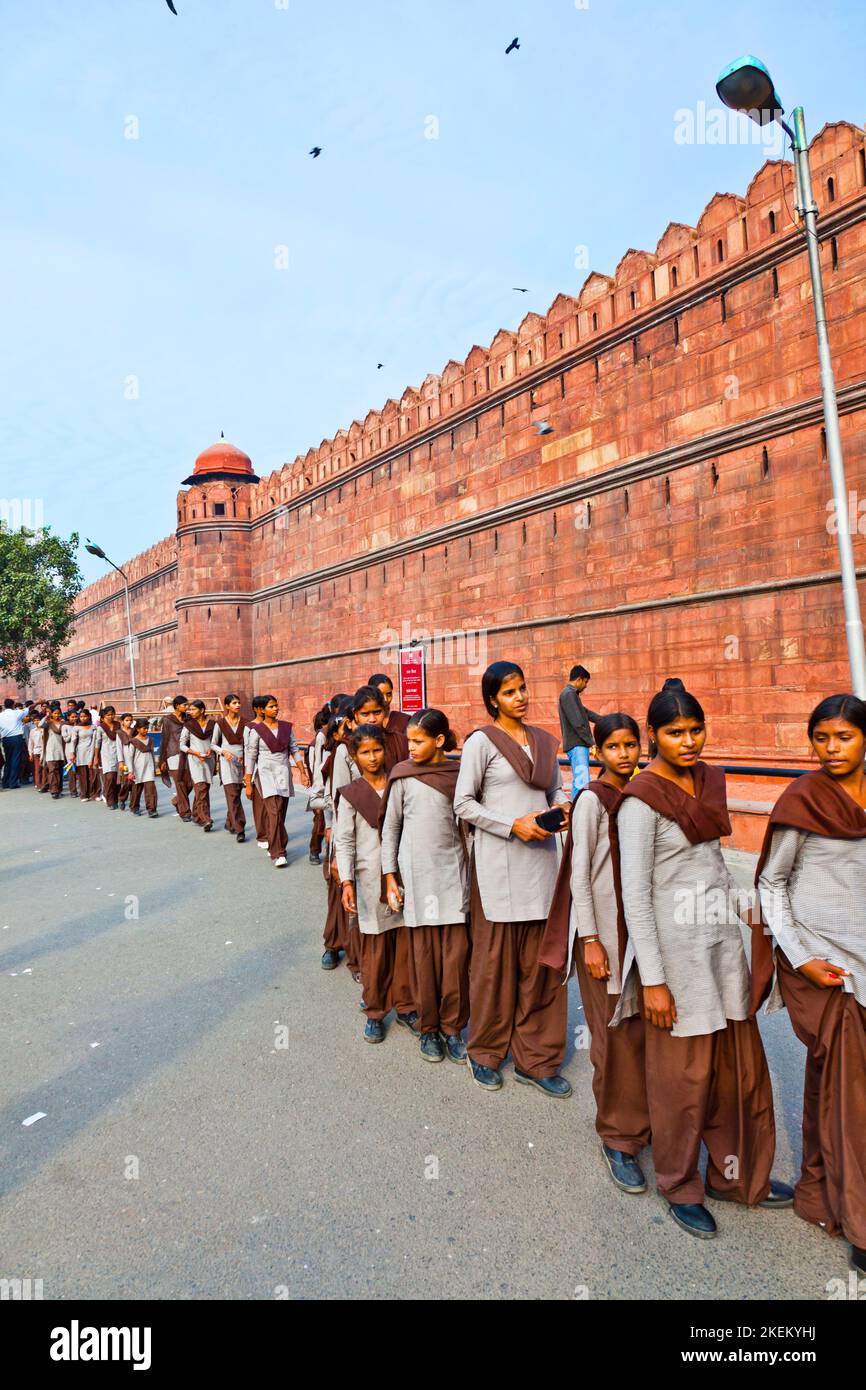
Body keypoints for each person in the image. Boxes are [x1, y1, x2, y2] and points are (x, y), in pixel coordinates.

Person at [613, 685, 792, 1240]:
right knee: (682, 1081)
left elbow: (712, 866)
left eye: (696, 730)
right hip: (674, 957)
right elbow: (636, 895)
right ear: (653, 736)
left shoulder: (707, 783)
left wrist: (750, 910)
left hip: (718, 947)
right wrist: (655, 981)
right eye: (674, 732)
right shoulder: (640, 799)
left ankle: (730, 1175)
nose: (688, 742)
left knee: (729, 1075)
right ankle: (678, 1181)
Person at [754, 693, 866, 1276]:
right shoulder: (802, 798)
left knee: (835, 1085)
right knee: (855, 1099)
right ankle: (862, 1222)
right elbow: (771, 886)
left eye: (843, 738)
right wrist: (801, 959)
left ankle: (819, 1192)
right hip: (826, 971)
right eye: (821, 738)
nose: (831, 749)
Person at [541, 713, 650, 1194]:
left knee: (643, 1034)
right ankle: (618, 1138)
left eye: (632, 746)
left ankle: (644, 1121)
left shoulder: (644, 795)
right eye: (615, 747)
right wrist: (589, 940)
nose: (624, 754)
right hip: (605, 934)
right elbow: (579, 872)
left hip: (642, 935)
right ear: (598, 752)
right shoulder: (593, 800)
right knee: (613, 1040)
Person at [454, 660, 572, 1097]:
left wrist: (560, 810)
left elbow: (556, 790)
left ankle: (536, 1058)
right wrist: (512, 825)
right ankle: (484, 1051)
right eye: (509, 692)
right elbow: (463, 803)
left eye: (522, 688)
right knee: (493, 966)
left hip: (541, 863)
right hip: (499, 864)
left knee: (539, 967)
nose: (520, 697)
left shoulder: (543, 741)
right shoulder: (481, 744)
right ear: (492, 700)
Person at [380, 708, 469, 1064]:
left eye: (418, 741)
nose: (410, 748)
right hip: (417, 878)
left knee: (456, 960)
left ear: (440, 741)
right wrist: (390, 876)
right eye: (409, 741)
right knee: (425, 959)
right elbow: (390, 830)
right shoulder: (402, 776)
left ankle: (453, 1028)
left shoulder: (460, 775)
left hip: (454, 875)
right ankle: (429, 1028)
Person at [335, 725, 416, 1044]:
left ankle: (407, 1005)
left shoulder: (400, 784)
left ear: (386, 749)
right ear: (354, 756)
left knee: (405, 944)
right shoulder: (352, 794)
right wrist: (346, 882)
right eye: (365, 752)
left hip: (404, 875)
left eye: (377, 750)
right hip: (369, 880)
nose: (372, 757)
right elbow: (345, 841)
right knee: (376, 949)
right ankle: (375, 1010)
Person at [243, 694, 308, 866]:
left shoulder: (286, 728)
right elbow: (251, 756)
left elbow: (294, 750)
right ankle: (279, 852)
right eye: (271, 706)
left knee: (281, 811)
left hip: (283, 772)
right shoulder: (256, 731)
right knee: (274, 811)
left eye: (276, 706)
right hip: (265, 774)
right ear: (262, 710)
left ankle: (275, 844)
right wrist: (248, 782)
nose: (275, 709)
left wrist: (302, 772)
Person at [320, 704, 359, 973]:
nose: (373, 717)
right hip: (343, 826)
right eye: (365, 713)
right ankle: (334, 944)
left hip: (374, 830)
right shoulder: (341, 750)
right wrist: (329, 826)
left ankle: (359, 953)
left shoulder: (389, 741)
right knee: (340, 889)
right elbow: (333, 794)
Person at [558, 664, 601, 800]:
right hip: (577, 744)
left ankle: (575, 812)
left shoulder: (571, 694)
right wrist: (591, 743)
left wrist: (605, 720)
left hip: (578, 745)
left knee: (580, 781)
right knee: (582, 782)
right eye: (586, 682)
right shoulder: (569, 694)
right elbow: (578, 723)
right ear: (579, 679)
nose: (586, 686)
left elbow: (585, 713)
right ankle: (577, 813)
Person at [212, 693, 247, 842]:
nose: (237, 705)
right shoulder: (220, 723)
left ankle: (230, 822)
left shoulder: (245, 723)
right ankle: (240, 828)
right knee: (232, 794)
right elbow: (213, 744)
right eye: (234, 703)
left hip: (242, 761)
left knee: (236, 794)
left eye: (238, 702)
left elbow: (249, 743)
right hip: (226, 762)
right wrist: (223, 752)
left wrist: (245, 756)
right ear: (227, 706)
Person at [353, 684, 408, 771]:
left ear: (385, 711)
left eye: (377, 712)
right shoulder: (346, 747)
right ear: (356, 715)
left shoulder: (400, 741)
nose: (372, 719)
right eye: (365, 714)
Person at [181, 699, 216, 831]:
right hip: (195, 760)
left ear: (202, 710)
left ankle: (196, 815)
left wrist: (211, 750)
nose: (190, 712)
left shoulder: (212, 724)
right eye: (189, 709)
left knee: (204, 788)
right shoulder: (188, 725)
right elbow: (182, 745)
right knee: (200, 787)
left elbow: (216, 740)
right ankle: (205, 818)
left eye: (193, 709)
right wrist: (196, 753)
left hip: (209, 759)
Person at [158, 696, 194, 821]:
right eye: (185, 705)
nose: (187, 708)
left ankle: (176, 800)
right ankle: (185, 813)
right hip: (173, 754)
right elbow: (165, 739)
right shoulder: (167, 719)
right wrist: (162, 760)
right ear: (177, 706)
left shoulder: (189, 718)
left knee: (190, 783)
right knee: (180, 784)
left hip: (188, 753)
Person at [306, 706, 330, 864]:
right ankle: (314, 850)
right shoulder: (317, 741)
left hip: (331, 785)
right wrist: (317, 790)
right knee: (321, 821)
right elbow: (315, 767)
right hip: (320, 786)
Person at [127, 721, 159, 817]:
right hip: (137, 768)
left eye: (147, 728)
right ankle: (134, 807)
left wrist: (155, 766)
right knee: (136, 789)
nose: (146, 730)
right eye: (144, 728)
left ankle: (152, 809)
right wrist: (130, 771)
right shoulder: (133, 741)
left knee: (150, 789)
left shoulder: (150, 740)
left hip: (149, 767)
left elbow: (152, 754)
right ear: (138, 729)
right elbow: (129, 757)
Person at [93, 706, 121, 809]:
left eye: (112, 714)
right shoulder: (101, 727)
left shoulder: (118, 725)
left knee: (118, 779)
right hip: (106, 754)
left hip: (118, 753)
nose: (111, 716)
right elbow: (97, 743)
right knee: (110, 777)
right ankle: (110, 800)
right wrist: (96, 757)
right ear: (104, 716)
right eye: (108, 715)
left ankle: (116, 799)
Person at [39, 705, 66, 798]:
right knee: (52, 770)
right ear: (52, 714)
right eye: (55, 713)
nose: (57, 715)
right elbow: (40, 725)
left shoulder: (63, 723)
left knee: (59, 770)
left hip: (61, 749)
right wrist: (46, 716)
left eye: (58, 713)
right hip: (51, 749)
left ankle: (59, 789)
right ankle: (54, 790)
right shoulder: (48, 723)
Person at [0, 698, 28, 788]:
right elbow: (29, 708)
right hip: (16, 738)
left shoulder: (1, 715)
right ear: (13, 705)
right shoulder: (16, 712)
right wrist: (38, 703)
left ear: (4, 705)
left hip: (5, 739)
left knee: (8, 760)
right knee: (15, 760)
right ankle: (13, 783)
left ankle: (5, 782)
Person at [72, 711, 98, 800]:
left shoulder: (94, 727)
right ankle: (84, 795)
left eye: (85, 716)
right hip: (81, 753)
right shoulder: (76, 728)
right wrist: (72, 753)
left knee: (93, 774)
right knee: (83, 775)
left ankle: (95, 794)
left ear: (89, 717)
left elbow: (95, 741)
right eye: (81, 716)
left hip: (92, 751)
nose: (83, 718)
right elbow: (74, 741)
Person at [116, 712, 135, 810]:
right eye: (127, 720)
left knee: (135, 782)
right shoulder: (119, 733)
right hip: (125, 760)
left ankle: (134, 803)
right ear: (122, 721)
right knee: (126, 781)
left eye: (131, 720)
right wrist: (120, 761)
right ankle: (122, 799)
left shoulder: (134, 731)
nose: (129, 722)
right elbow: (119, 748)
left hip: (135, 759)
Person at [61, 708, 79, 798]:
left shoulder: (79, 725)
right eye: (72, 717)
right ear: (68, 717)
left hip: (79, 751)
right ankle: (73, 790)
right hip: (69, 751)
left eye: (76, 717)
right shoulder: (65, 727)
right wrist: (74, 731)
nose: (74, 718)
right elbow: (66, 739)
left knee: (80, 771)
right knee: (72, 772)